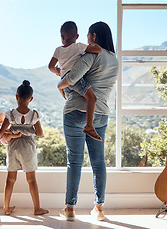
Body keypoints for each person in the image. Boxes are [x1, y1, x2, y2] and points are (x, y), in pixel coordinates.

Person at [57, 22, 119, 221]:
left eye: (87, 35)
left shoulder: (91, 55)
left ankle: (69, 209)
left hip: (76, 111)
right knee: (99, 162)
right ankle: (99, 208)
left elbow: (72, 78)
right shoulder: (115, 61)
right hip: (101, 115)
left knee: (74, 161)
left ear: (93, 35)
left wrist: (59, 83)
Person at [0, 80, 49, 216]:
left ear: (16, 97)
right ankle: (37, 208)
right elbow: (39, 133)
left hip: (13, 147)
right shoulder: (34, 115)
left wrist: (11, 133)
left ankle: (6, 208)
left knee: (10, 179)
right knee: (31, 179)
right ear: (31, 99)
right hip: (28, 148)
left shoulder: (10, 115)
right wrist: (27, 131)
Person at [48, 21, 102, 141]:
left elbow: (50, 66)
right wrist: (92, 43)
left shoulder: (58, 50)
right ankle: (89, 126)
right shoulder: (78, 46)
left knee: (70, 96)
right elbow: (98, 50)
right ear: (77, 36)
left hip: (64, 80)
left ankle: (61, 88)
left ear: (62, 37)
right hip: (75, 78)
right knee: (92, 98)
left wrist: (58, 72)